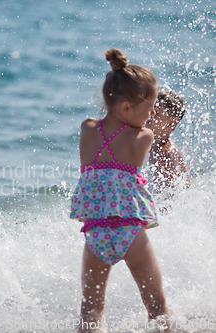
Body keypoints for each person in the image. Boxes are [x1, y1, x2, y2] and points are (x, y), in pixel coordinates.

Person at [70, 48, 169, 330]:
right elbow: (145, 133)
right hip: (130, 232)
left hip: (96, 233)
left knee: (90, 309)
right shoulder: (143, 137)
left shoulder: (87, 129)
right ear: (126, 107)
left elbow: (99, 127)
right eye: (150, 106)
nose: (152, 113)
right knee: (157, 307)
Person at [146, 90, 190, 192]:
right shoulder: (151, 144)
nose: (149, 114)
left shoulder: (167, 155)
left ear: (172, 123)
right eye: (148, 109)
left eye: (155, 112)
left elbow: (167, 201)